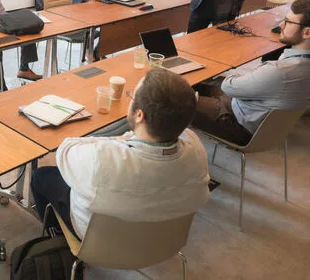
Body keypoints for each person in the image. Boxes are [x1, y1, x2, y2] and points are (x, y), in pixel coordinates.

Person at [31, 68, 209, 239]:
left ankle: (59, 237)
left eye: (133, 96)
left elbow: (65, 149)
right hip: (162, 242)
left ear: (139, 115)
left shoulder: (101, 158)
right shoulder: (197, 152)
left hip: (97, 241)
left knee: (41, 176)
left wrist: (117, 139)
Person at [192, 0, 310, 145]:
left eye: (288, 22)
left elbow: (228, 86)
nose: (281, 25)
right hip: (266, 125)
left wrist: (250, 75)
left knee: (178, 100)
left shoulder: (279, 71)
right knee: (198, 85)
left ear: (307, 32)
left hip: (238, 126)